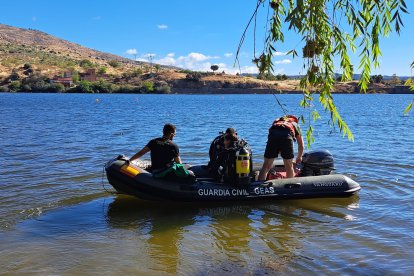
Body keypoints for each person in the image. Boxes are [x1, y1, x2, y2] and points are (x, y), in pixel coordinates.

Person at [129, 123, 194, 182]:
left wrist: (129, 160)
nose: (174, 136)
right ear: (171, 135)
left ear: (163, 132)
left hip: (155, 172)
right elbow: (179, 164)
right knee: (190, 173)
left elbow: (140, 153)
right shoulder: (173, 145)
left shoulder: (153, 141)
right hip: (164, 173)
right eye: (174, 135)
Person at [258, 115, 304, 180]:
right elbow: (301, 145)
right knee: (289, 167)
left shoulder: (277, 122)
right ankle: (290, 186)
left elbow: (273, 135)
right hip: (286, 138)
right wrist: (299, 157)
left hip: (272, 138)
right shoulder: (295, 125)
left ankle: (260, 187)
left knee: (266, 167)